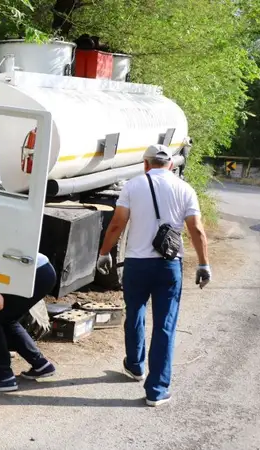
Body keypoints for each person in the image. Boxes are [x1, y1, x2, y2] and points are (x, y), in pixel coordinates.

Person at [97, 144, 210, 407]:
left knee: (134, 312)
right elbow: (197, 230)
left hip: (137, 263)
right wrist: (204, 264)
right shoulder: (185, 189)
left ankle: (135, 366)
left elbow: (117, 223)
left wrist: (104, 253)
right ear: (171, 164)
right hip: (169, 266)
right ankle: (157, 391)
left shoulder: (133, 186)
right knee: (164, 325)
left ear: (145, 164)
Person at [0, 253, 58, 392]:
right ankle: (41, 365)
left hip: (33, 273)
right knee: (7, 318)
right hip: (43, 269)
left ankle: (4, 378)